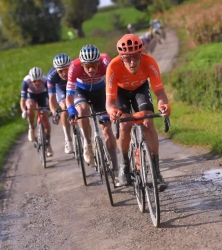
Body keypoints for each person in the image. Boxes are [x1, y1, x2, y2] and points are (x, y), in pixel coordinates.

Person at [105, 34, 171, 191]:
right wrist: (113, 112)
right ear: (121, 57)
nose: (132, 62)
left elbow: (160, 93)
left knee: (148, 121)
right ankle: (125, 164)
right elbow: (109, 102)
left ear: (141, 54)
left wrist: (164, 106)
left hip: (140, 89)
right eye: (127, 58)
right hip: (120, 92)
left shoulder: (150, 62)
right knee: (124, 125)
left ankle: (156, 172)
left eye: (135, 56)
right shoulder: (113, 67)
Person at [66, 44, 121, 186]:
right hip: (81, 91)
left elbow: (114, 85)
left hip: (100, 92)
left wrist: (115, 105)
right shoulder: (74, 67)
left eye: (94, 65)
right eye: (87, 65)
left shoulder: (105, 62)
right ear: (82, 64)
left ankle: (116, 170)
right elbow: (69, 95)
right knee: (82, 110)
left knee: (107, 129)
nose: (91, 69)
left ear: (99, 62)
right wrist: (71, 110)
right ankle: (87, 143)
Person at [20, 67, 53, 157]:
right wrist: (24, 111)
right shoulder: (26, 81)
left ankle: (48, 144)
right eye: (34, 81)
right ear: (31, 80)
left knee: (44, 117)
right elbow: (22, 100)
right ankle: (31, 127)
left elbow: (51, 97)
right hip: (31, 95)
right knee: (30, 107)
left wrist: (51, 108)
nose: (37, 83)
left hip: (43, 95)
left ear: (41, 78)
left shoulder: (46, 80)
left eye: (39, 81)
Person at [47, 53, 73, 154]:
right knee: (65, 107)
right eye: (60, 71)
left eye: (66, 70)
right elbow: (52, 98)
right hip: (61, 89)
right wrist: (54, 113)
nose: (64, 73)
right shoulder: (51, 76)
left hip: (73, 88)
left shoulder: (75, 70)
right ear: (56, 70)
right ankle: (68, 139)